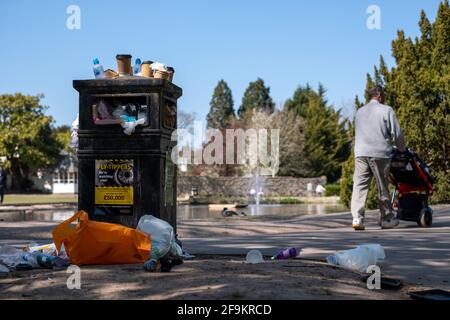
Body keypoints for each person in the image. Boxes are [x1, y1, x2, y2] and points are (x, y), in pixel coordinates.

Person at [351, 86, 406, 231]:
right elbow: (397, 133)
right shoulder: (387, 110)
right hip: (380, 153)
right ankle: (386, 218)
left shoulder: (359, 112)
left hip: (361, 153)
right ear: (379, 96)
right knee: (382, 187)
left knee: (359, 186)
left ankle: (357, 218)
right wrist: (402, 148)